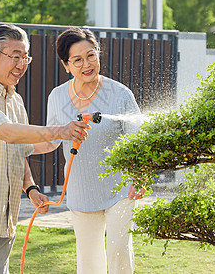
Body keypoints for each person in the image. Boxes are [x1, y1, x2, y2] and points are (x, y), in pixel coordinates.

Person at [0, 24, 90, 274]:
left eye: (25, 57)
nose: (21, 64)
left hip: (5, 215)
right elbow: (9, 133)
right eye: (15, 56)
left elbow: (20, 148)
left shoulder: (14, 99)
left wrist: (30, 188)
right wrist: (59, 130)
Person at [33, 27, 146, 274]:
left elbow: (140, 143)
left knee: (118, 250)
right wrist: (19, 147)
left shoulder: (120, 94)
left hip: (120, 188)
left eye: (91, 55)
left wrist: (140, 178)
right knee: (89, 261)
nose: (87, 64)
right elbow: (51, 140)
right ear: (66, 65)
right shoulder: (57, 97)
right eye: (78, 60)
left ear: (98, 54)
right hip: (81, 189)